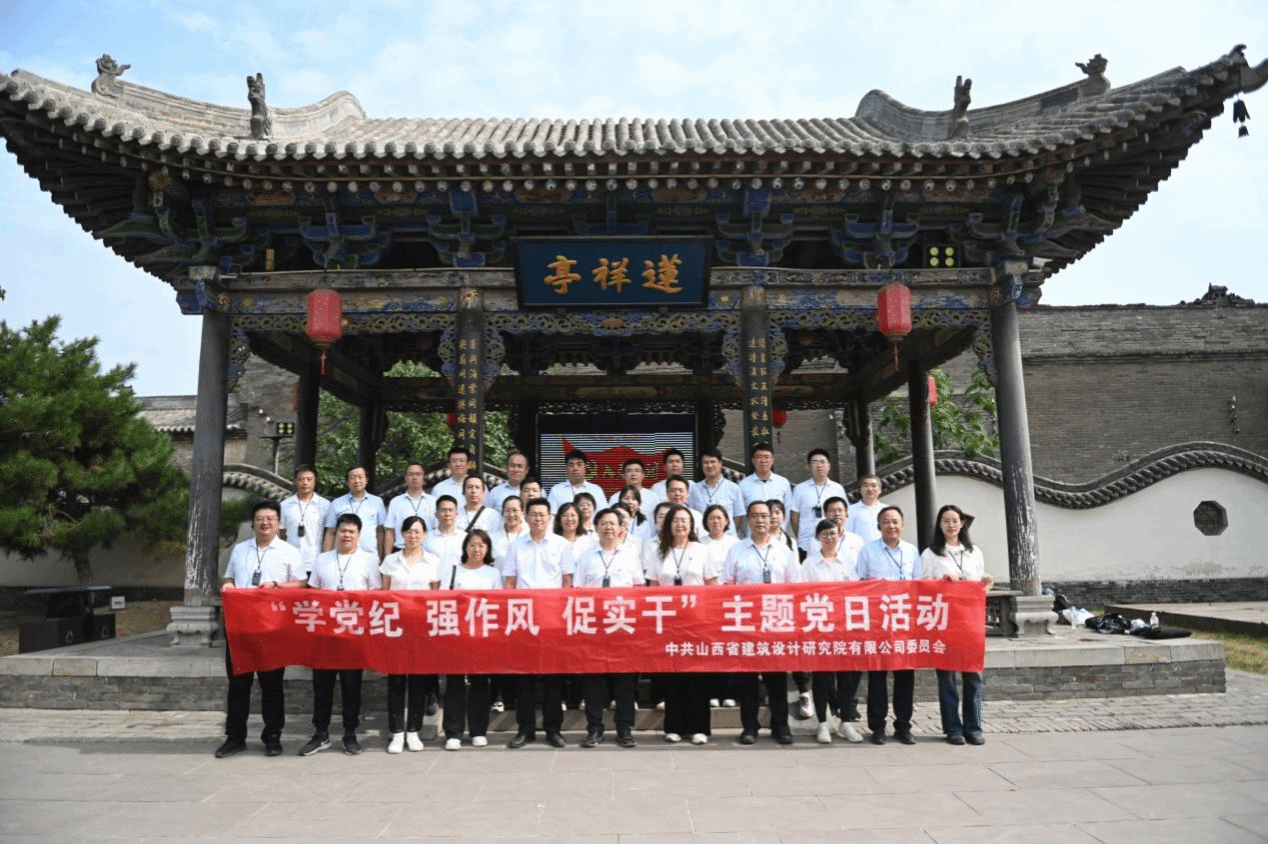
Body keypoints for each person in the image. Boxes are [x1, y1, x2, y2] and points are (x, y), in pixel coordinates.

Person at [217, 500, 306, 758]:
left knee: (272, 685)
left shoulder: (289, 551)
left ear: (278, 523)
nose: (264, 523)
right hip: (240, 628)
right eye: (259, 519)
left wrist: (276, 585)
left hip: (271, 628)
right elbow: (229, 577)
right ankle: (235, 737)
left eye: (270, 519)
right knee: (238, 684)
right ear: (253, 524)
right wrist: (228, 586)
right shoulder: (240, 550)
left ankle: (273, 736)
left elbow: (302, 584)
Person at [301, 513, 383, 756]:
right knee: (322, 686)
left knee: (351, 686)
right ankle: (321, 733)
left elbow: (375, 594)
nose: (347, 535)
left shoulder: (369, 560)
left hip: (353, 635)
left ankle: (350, 734)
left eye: (351, 531)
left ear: (359, 535)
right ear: (335, 533)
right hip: (325, 635)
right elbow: (312, 593)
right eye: (343, 531)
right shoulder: (322, 559)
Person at [723, 500, 801, 745]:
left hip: (776, 622)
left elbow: (795, 587)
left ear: (772, 520)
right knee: (747, 680)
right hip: (747, 623)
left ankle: (781, 726)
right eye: (755, 516)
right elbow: (727, 586)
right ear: (747, 520)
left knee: (776, 679)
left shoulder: (784, 551)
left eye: (764, 516)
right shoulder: (736, 550)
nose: (760, 520)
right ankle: (750, 727)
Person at [502, 497, 575, 747]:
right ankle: (525, 729)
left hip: (552, 618)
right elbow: (510, 582)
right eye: (533, 514)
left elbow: (567, 581)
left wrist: (562, 615)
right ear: (526, 517)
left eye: (542, 514)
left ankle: (554, 729)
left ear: (550, 517)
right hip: (524, 618)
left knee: (553, 677)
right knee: (525, 677)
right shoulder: (516, 546)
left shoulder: (562, 545)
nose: (538, 519)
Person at [922, 504, 993, 746]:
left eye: (955, 520)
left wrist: (986, 583)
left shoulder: (974, 552)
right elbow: (922, 585)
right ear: (939, 525)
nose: (951, 525)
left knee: (974, 676)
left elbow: (980, 586)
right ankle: (952, 728)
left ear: (962, 523)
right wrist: (941, 581)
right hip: (944, 622)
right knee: (947, 678)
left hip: (971, 621)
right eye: (946, 520)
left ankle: (974, 727)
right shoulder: (931, 554)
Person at [573, 509, 644, 749]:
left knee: (625, 679)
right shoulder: (586, 556)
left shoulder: (630, 556)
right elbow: (578, 590)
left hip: (623, 625)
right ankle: (594, 728)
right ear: (595, 528)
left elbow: (638, 589)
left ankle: (624, 728)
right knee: (593, 679)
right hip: (593, 625)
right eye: (603, 523)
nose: (608, 528)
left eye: (613, 524)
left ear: (622, 528)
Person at [856, 505, 923, 745]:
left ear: (903, 525)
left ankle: (903, 726)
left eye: (895, 521)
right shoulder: (868, 550)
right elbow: (860, 584)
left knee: (905, 676)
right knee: (877, 676)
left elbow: (919, 585)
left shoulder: (912, 551)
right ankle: (877, 727)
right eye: (886, 521)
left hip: (904, 622)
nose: (891, 526)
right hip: (878, 622)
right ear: (879, 526)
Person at [652, 504, 717, 745]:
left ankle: (699, 728)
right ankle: (674, 726)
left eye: (684, 520)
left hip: (697, 621)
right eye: (675, 520)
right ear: (668, 525)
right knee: (673, 675)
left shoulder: (702, 550)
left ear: (691, 525)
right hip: (669, 621)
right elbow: (652, 587)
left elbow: (712, 585)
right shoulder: (659, 552)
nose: (680, 524)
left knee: (697, 675)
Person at [379, 515, 441, 753]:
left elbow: (435, 596)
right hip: (395, 629)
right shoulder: (390, 560)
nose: (413, 536)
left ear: (424, 535)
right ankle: (396, 732)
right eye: (408, 532)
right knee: (396, 681)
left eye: (417, 532)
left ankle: (414, 730)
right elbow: (384, 593)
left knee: (417, 681)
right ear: (402, 535)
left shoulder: (433, 561)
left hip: (421, 630)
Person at [802, 518, 864, 744]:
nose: (829, 537)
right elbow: (802, 596)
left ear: (840, 536)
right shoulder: (809, 564)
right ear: (818, 537)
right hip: (819, 629)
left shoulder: (849, 562)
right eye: (825, 534)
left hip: (845, 628)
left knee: (846, 677)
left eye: (833, 533)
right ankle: (822, 724)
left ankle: (846, 722)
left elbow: (857, 593)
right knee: (822, 678)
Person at [440, 529, 502, 750]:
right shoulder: (453, 571)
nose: (477, 549)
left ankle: (478, 731)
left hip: (482, 636)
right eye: (473, 545)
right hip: (456, 634)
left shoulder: (493, 573)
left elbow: (498, 605)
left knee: (480, 683)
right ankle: (453, 732)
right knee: (454, 683)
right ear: (465, 547)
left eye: (482, 545)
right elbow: (442, 600)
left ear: (488, 549)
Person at [698, 503, 739, 708]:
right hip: (708, 601)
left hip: (732, 601)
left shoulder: (735, 543)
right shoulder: (699, 543)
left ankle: (729, 692)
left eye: (719, 518)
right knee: (710, 646)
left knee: (729, 647)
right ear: (706, 521)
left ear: (727, 521)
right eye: (712, 518)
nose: (716, 521)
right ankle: (711, 692)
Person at [790, 449, 847, 556]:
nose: (819, 465)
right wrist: (800, 535)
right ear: (809, 467)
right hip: (806, 543)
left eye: (822, 462)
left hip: (832, 543)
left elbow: (844, 515)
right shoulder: (800, 489)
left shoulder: (838, 489)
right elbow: (795, 517)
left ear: (829, 466)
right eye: (815, 462)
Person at [322, 465, 387, 558]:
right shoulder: (337, 503)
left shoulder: (377, 502)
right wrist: (326, 557)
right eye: (352, 478)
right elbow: (330, 533)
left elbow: (380, 532)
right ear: (347, 482)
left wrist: (382, 558)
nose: (357, 481)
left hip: (369, 557)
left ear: (366, 480)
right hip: (342, 556)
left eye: (360, 477)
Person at [278, 465, 330, 576]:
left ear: (315, 481)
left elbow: (329, 534)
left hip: (315, 562)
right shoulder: (285, 505)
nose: (305, 483)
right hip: (291, 561)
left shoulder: (325, 505)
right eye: (301, 479)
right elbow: (282, 533)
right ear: (295, 482)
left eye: (309, 479)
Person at [736, 443, 791, 537]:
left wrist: (781, 531)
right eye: (759, 457)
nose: (763, 461)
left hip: (777, 538)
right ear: (753, 461)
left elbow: (787, 510)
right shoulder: (743, 485)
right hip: (752, 537)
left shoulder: (783, 483)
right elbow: (741, 514)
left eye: (766, 457)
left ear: (772, 459)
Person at [688, 447, 743, 535]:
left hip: (727, 538)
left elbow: (739, 517)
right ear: (701, 466)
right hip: (702, 538)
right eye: (706, 463)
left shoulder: (733, 488)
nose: (709, 466)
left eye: (713, 462)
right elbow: (692, 514)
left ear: (720, 463)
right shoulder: (695, 489)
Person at [385, 463, 436, 549]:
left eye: (418, 474)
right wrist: (387, 556)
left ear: (424, 478)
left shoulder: (434, 502)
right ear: (405, 478)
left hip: (427, 550)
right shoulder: (396, 502)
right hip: (402, 549)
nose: (414, 477)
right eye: (411, 474)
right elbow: (390, 531)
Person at [423, 495, 465, 569]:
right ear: (436, 514)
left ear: (456, 514)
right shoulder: (426, 538)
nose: (447, 514)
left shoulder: (465, 538)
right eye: (443, 510)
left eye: (451, 510)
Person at [845, 474, 886, 543]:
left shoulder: (886, 510)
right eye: (866, 486)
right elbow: (848, 534)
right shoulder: (850, 510)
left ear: (880, 490)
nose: (870, 489)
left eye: (873, 486)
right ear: (860, 490)